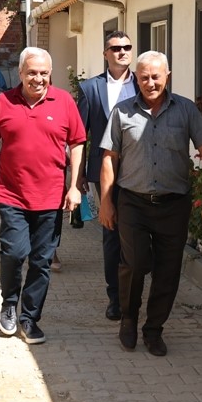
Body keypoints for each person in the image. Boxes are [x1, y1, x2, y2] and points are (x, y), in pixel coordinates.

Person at [98, 51, 202, 357]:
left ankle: (154, 330)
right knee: (136, 263)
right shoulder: (122, 111)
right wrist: (106, 202)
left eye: (155, 76)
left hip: (173, 204)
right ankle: (129, 317)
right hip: (133, 202)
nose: (150, 82)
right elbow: (109, 158)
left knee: (168, 271)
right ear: (136, 79)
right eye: (143, 77)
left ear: (167, 76)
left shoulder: (185, 110)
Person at [0, 48, 85, 345]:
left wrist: (74, 185)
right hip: (12, 195)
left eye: (44, 73)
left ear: (50, 74)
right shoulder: (4, 102)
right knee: (13, 253)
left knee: (41, 261)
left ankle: (29, 318)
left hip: (51, 198)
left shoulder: (64, 102)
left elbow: (77, 144)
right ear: (21, 73)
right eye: (32, 72)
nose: (38, 78)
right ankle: (9, 304)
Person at [78, 30, 137, 321]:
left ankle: (133, 291)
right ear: (105, 54)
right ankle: (115, 297)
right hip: (104, 172)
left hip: (139, 170)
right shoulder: (90, 88)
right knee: (111, 234)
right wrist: (76, 176)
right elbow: (80, 135)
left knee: (136, 236)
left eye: (127, 47)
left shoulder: (145, 84)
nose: (122, 52)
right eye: (116, 48)